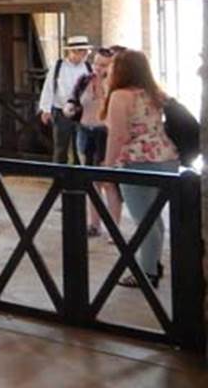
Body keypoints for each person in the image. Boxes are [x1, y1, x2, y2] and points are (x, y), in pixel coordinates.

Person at [101, 48, 179, 288]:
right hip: (167, 158)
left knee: (144, 221)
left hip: (138, 161)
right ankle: (153, 264)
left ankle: (146, 273)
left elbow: (119, 135)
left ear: (120, 70)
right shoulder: (155, 93)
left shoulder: (120, 96)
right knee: (154, 219)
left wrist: (107, 167)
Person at [65, 46, 122, 236]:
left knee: (109, 182)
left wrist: (107, 82)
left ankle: (114, 228)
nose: (98, 68)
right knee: (91, 180)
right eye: (96, 63)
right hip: (84, 131)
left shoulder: (117, 85)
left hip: (105, 133)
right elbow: (73, 99)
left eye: (104, 65)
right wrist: (69, 108)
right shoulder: (84, 80)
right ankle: (94, 224)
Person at [38, 35, 93, 163]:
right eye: (81, 51)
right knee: (60, 147)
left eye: (85, 51)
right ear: (72, 52)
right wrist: (45, 109)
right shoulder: (58, 67)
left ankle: (78, 174)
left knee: (80, 147)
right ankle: (59, 174)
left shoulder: (88, 68)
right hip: (61, 111)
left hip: (81, 112)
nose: (84, 54)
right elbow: (49, 87)